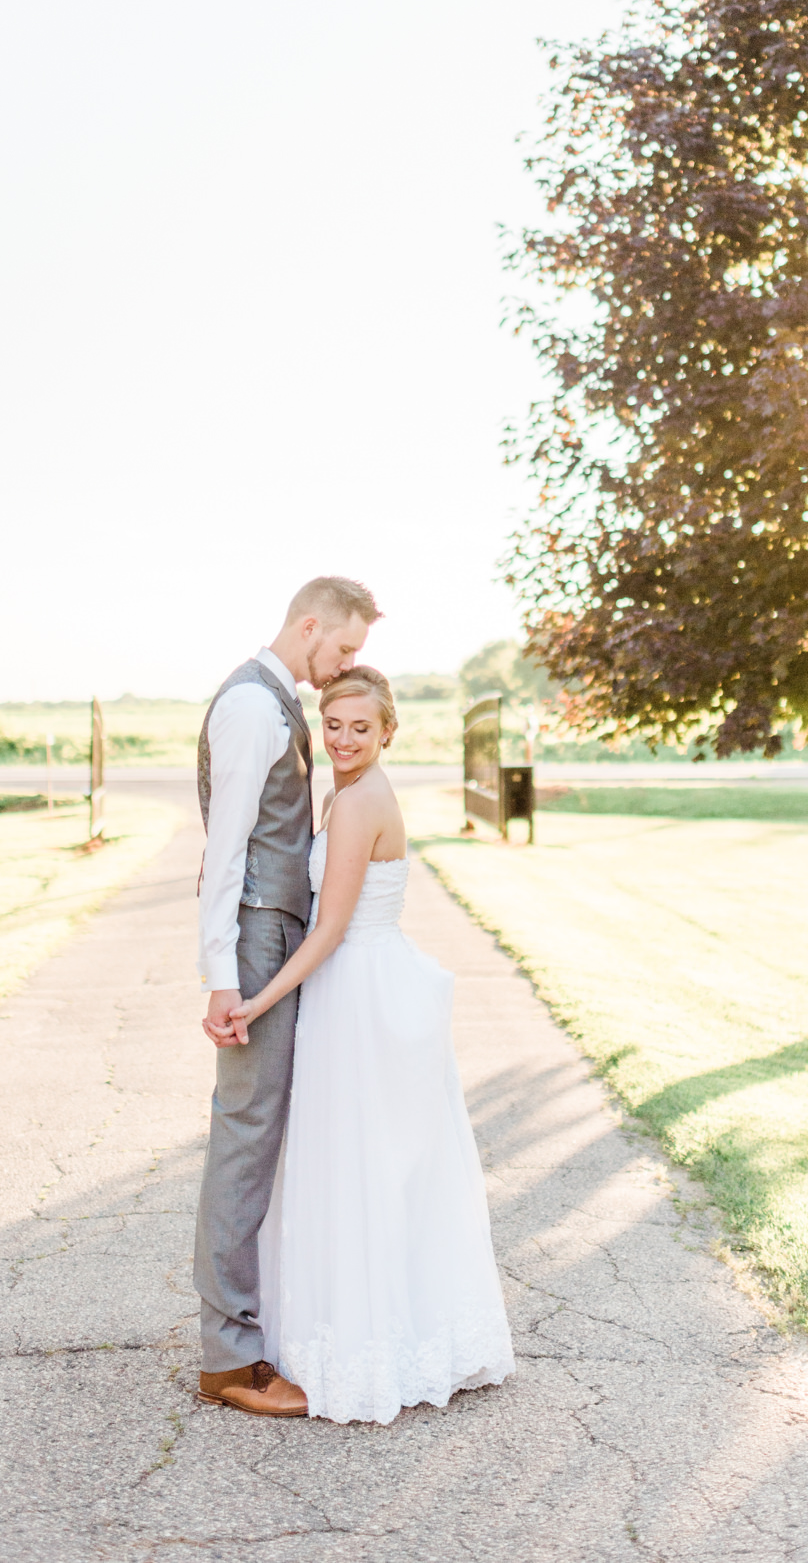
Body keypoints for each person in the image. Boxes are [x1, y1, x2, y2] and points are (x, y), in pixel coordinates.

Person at [240, 664, 515, 1424]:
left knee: (361, 1163)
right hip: (364, 981)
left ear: (388, 731)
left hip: (359, 990)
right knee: (377, 1164)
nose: (344, 739)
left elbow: (330, 929)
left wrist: (258, 999)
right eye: (333, 725)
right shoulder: (349, 791)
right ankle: (393, 1329)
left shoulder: (361, 802)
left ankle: (370, 1345)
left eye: (361, 728)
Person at [194, 575, 380, 1418]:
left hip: (277, 933)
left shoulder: (280, 706)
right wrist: (224, 981)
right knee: (246, 1134)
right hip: (258, 938)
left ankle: (251, 1332)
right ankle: (230, 1361)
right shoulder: (251, 709)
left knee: (264, 1134)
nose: (344, 666)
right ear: (310, 625)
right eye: (342, 649)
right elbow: (225, 856)